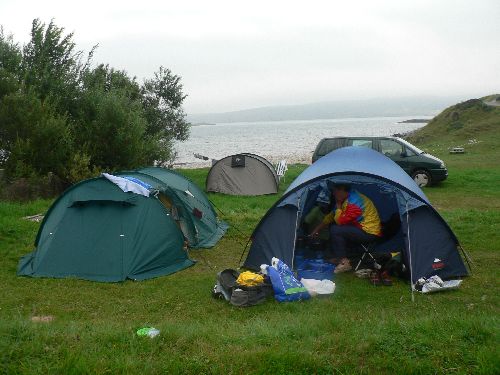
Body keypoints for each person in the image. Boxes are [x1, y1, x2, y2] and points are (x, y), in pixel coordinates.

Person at [310, 184, 382, 273]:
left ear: (343, 190)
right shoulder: (346, 198)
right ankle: (338, 257)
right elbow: (330, 217)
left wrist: (338, 205)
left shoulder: (354, 202)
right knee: (335, 227)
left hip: (369, 233)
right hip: (359, 228)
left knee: (336, 229)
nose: (334, 194)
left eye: (335, 192)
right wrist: (316, 230)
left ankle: (344, 263)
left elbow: (340, 221)